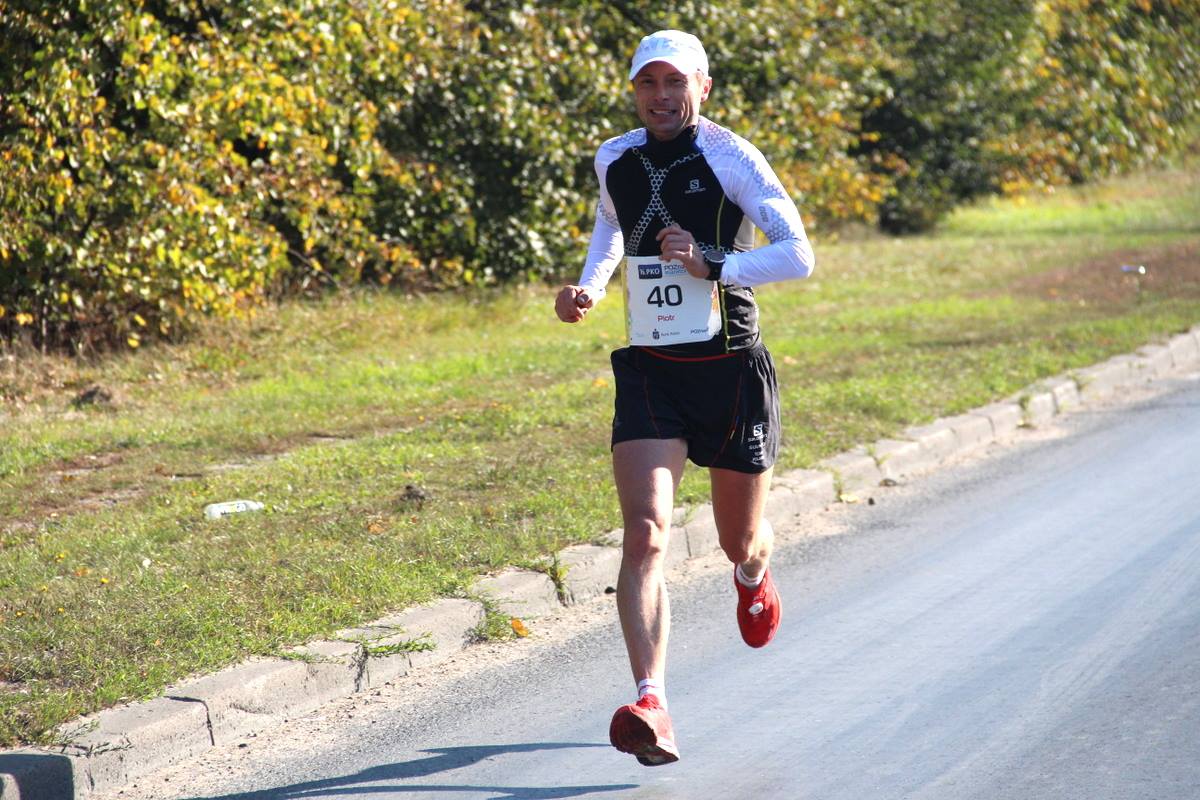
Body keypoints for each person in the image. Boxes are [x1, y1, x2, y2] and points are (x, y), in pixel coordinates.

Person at [554, 29, 815, 767]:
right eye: (648, 84)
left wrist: (715, 262)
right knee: (645, 534)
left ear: (704, 87)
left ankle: (753, 575)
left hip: (729, 368)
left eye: (676, 83)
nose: (661, 97)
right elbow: (611, 224)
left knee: (740, 539)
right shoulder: (616, 157)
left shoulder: (731, 157)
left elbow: (798, 254)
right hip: (650, 368)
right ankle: (652, 702)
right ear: (634, 90)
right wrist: (592, 286)